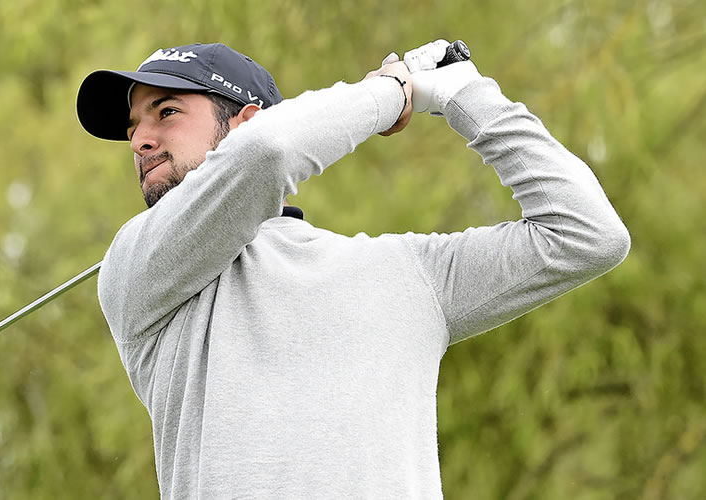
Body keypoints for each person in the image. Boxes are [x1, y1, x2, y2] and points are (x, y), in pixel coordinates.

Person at [76, 40, 630, 499]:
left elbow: (587, 234)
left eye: (166, 112)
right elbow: (268, 151)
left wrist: (462, 93)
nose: (140, 139)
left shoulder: (408, 273)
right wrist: (391, 91)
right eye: (133, 127)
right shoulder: (136, 268)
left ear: (243, 122)